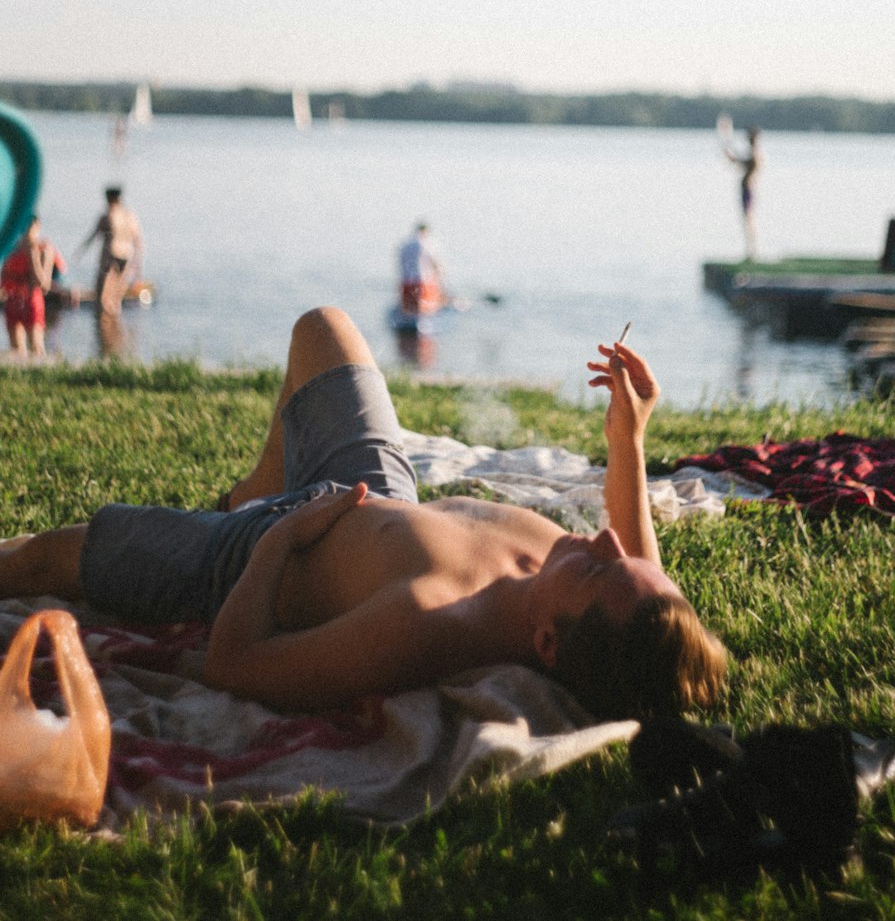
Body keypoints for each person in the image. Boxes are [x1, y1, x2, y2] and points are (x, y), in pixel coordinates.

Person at [0, 306, 727, 723]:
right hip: (376, 487)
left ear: (544, 642)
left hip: (256, 552)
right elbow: (640, 566)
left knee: (48, 556)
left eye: (600, 566)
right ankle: (252, 486)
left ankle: (243, 510)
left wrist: (279, 540)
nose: (606, 538)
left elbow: (233, 664)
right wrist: (628, 438)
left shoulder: (431, 619)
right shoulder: (594, 588)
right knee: (325, 328)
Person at [76, 187, 143, 315]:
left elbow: (93, 236)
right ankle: (115, 328)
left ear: (108, 199)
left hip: (110, 256)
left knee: (103, 297)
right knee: (116, 298)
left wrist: (81, 251)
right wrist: (137, 266)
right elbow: (138, 241)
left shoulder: (108, 215)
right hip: (126, 255)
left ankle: (104, 328)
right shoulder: (130, 215)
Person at [1, 215, 56, 358]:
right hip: (12, 301)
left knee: (36, 346)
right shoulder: (11, 247)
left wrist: (34, 260)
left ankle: (42, 375)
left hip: (32, 302)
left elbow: (45, 286)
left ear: (37, 226)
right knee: (16, 350)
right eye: (23, 226)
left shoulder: (44, 249)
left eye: (30, 226)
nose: (26, 231)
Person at [723, 128, 761, 261]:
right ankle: (750, 251)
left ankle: (752, 252)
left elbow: (743, 163)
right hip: (747, 190)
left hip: (748, 190)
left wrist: (731, 156)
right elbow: (740, 162)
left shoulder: (755, 154)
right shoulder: (753, 153)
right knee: (747, 220)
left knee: (748, 220)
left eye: (749, 137)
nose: (747, 139)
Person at [398, 222, 445, 316]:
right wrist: (441, 282)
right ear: (426, 231)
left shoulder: (406, 245)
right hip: (423, 281)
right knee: (424, 308)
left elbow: (401, 262)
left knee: (408, 308)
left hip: (407, 281)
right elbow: (436, 264)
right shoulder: (428, 244)